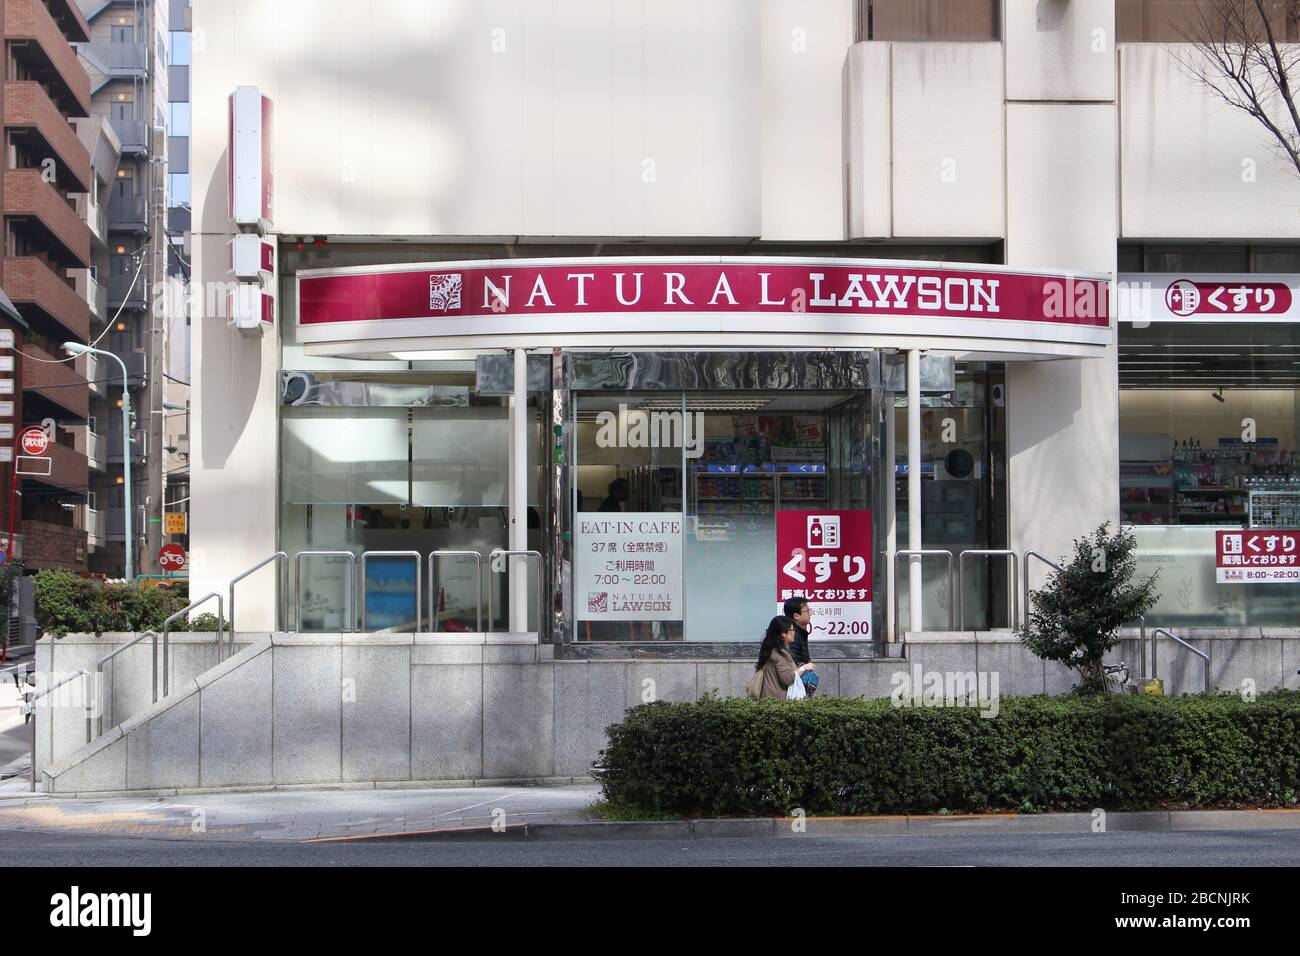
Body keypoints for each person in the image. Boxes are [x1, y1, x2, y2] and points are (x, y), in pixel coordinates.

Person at [751, 614, 816, 700]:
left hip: (770, 700)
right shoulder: (779, 654)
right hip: (778, 704)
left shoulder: (772, 650)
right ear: (783, 633)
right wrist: (804, 668)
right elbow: (787, 679)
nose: (794, 632)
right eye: (792, 630)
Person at [782, 596, 813, 670]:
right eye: (807, 611)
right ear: (796, 616)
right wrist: (805, 668)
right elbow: (792, 664)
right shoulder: (792, 634)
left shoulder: (799, 631)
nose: (810, 614)